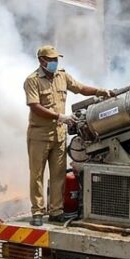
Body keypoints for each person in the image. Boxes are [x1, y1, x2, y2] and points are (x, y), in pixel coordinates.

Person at [23, 45, 110, 226]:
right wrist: (59, 116)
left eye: (56, 59)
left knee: (58, 174)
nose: (55, 62)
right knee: (37, 175)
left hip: (59, 135)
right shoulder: (32, 80)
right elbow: (34, 106)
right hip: (39, 134)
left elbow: (80, 88)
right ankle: (37, 212)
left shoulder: (62, 76)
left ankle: (56, 211)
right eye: (51, 59)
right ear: (41, 60)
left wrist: (100, 91)